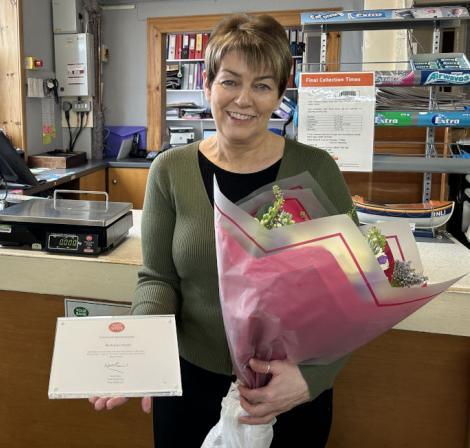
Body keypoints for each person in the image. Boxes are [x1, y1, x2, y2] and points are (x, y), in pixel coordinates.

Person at [90, 13, 355, 447]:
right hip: (189, 387)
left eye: (262, 85)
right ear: (209, 86)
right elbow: (158, 280)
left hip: (286, 391)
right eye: (230, 81)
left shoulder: (315, 169)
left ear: (280, 96)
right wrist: (139, 354)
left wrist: (312, 377)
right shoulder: (169, 170)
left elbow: (353, 290)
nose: (243, 99)